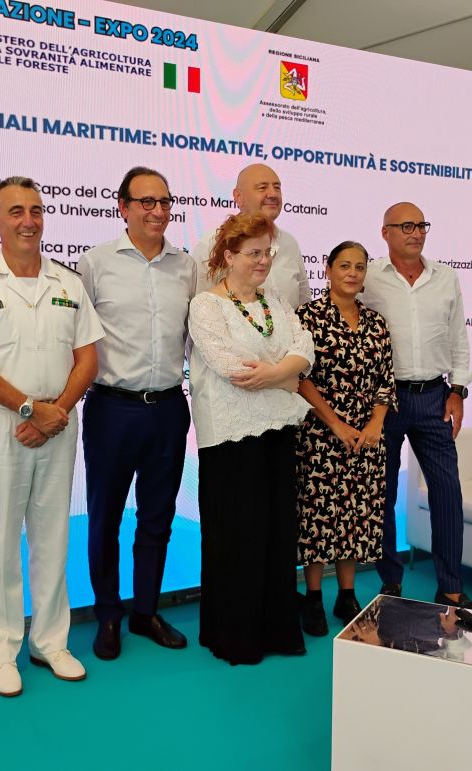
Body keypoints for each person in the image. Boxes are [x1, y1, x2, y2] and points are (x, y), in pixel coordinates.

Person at [0, 177, 103, 696]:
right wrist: (30, 409)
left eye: (36, 210)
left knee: (52, 538)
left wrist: (56, 411)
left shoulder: (67, 281)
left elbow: (88, 358)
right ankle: (0, 651)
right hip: (2, 424)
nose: (28, 221)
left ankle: (50, 642)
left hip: (58, 422)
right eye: (15, 212)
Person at [77, 167, 197, 660]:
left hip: (168, 408)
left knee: (157, 517)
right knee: (104, 518)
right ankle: (108, 615)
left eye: (164, 201)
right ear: (122, 207)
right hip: (112, 408)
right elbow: (77, 339)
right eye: (146, 201)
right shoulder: (95, 263)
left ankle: (145, 611)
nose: (157, 211)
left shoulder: (186, 266)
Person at [189, 212, 314, 665]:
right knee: (237, 536)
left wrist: (281, 373)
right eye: (253, 253)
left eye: (268, 252)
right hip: (230, 437)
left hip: (278, 431)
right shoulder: (206, 306)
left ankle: (277, 631)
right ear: (228, 256)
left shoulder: (274, 300)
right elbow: (233, 368)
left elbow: (305, 348)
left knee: (276, 534)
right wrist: (286, 376)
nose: (263, 260)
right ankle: (236, 637)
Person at [360, 202, 472, 610]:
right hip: (383, 400)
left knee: (447, 492)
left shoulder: (446, 277)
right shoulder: (368, 277)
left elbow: (458, 337)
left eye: (421, 225)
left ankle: (450, 587)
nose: (416, 232)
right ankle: (391, 582)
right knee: (382, 493)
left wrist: (457, 390)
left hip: (434, 397)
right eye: (406, 226)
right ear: (385, 233)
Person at [294, 241, 396, 636]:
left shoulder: (376, 322)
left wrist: (375, 424)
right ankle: (313, 597)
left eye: (359, 266)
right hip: (320, 435)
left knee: (356, 515)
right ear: (328, 269)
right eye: (344, 265)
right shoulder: (307, 317)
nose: (352, 273)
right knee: (318, 517)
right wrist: (336, 424)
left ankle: (347, 595)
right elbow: (301, 378)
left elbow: (386, 380)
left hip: (367, 438)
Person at [191, 163, 310, 308]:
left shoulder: (289, 243)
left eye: (277, 187)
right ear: (239, 197)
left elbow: (304, 305)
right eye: (262, 188)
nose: (273, 194)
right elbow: (201, 307)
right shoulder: (211, 244)